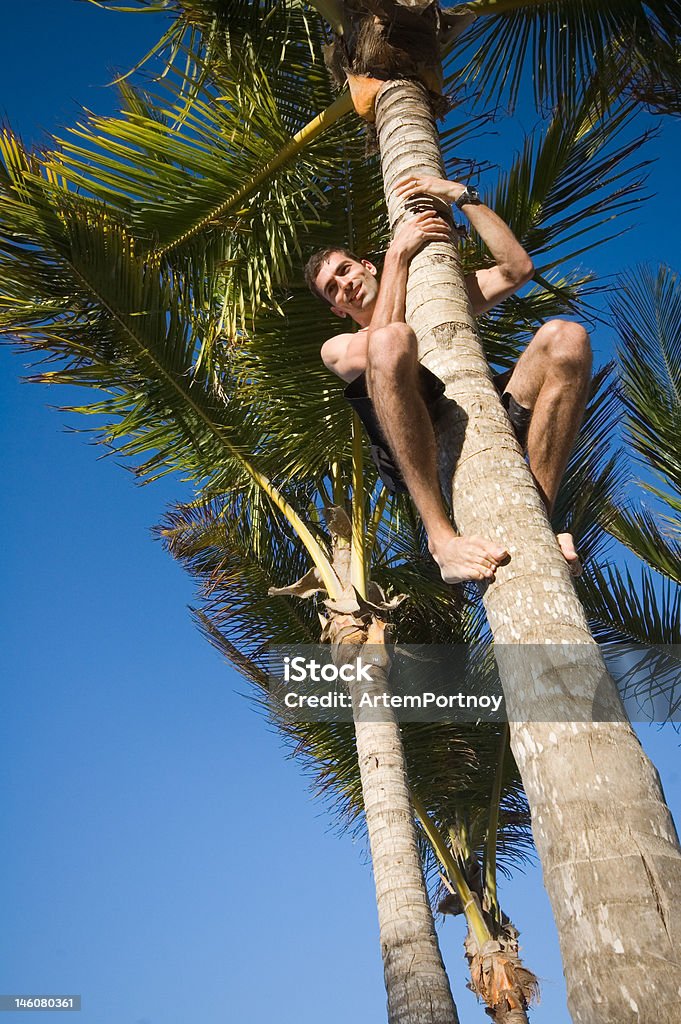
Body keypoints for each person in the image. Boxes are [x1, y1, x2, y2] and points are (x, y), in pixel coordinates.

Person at [304, 175, 592, 585]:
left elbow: (518, 269)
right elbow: (381, 345)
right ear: (336, 310)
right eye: (333, 289)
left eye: (345, 271)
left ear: (364, 266)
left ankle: (540, 521)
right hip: (413, 437)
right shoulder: (338, 346)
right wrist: (398, 258)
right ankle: (441, 541)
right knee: (393, 340)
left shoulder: (437, 296)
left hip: (478, 404)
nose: (345, 286)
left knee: (567, 338)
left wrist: (460, 195)